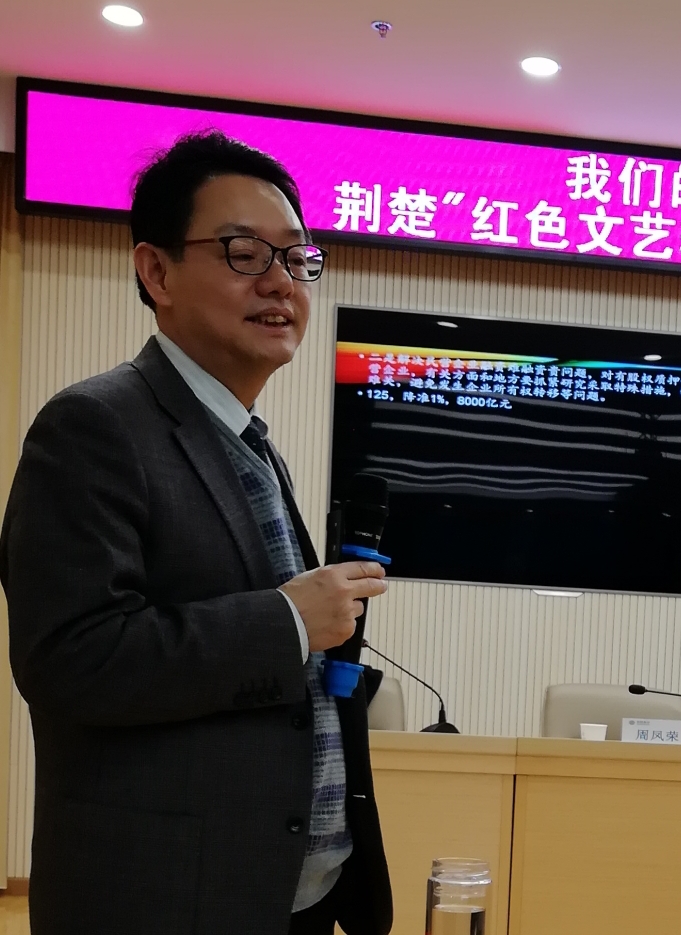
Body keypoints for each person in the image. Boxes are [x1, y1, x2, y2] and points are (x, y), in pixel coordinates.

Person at [0, 132, 393, 935]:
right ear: (156, 271)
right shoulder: (94, 425)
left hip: (288, 895)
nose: (280, 281)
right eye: (245, 252)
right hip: (165, 901)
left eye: (297, 258)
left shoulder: (251, 442)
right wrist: (286, 622)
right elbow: (70, 659)